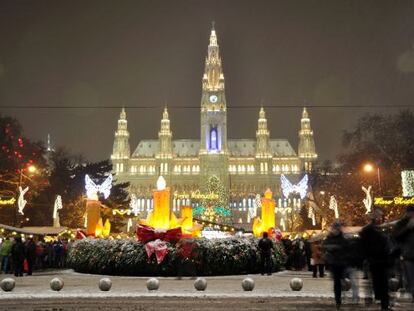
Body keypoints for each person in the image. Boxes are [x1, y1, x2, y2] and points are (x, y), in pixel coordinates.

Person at [359, 209, 392, 311]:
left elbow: (388, 243)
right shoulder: (369, 230)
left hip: (383, 260)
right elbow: (364, 244)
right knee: (378, 282)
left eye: (380, 216)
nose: (379, 218)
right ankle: (380, 300)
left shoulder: (383, 229)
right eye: (377, 216)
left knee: (383, 283)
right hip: (374, 260)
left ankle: (384, 304)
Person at [323, 221, 350, 310]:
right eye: (335, 228)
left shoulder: (343, 238)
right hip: (334, 263)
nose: (336, 230)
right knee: (337, 282)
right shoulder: (330, 237)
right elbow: (325, 246)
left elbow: (346, 248)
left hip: (342, 262)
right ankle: (338, 300)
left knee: (342, 280)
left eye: (338, 228)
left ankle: (341, 293)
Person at [393, 204, 414, 302]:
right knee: (411, 280)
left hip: (408, 255)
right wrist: (407, 228)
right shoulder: (401, 223)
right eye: (411, 212)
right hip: (408, 256)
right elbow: (396, 236)